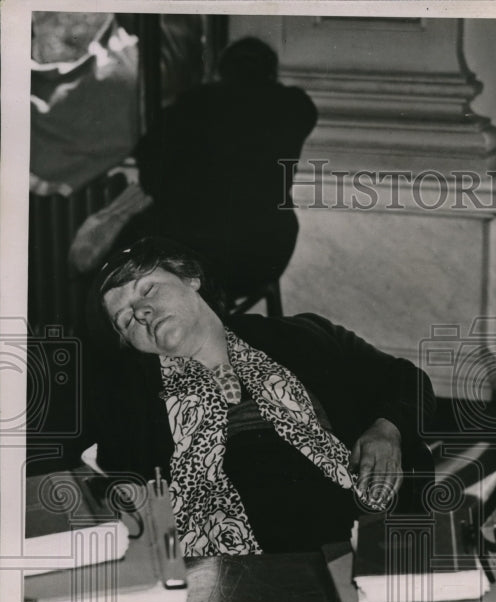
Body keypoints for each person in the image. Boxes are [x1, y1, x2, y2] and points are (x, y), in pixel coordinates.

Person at [88, 237, 435, 556]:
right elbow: (119, 496)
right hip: (231, 573)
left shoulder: (304, 336)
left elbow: (406, 380)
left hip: (350, 536)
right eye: (125, 319)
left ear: (190, 278)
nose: (141, 312)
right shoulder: (126, 398)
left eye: (148, 289)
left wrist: (387, 431)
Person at [123, 36, 318, 300]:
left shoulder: (193, 103)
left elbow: (150, 171)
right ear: (270, 72)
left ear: (222, 71)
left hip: (193, 252)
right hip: (265, 252)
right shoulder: (295, 105)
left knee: (129, 246)